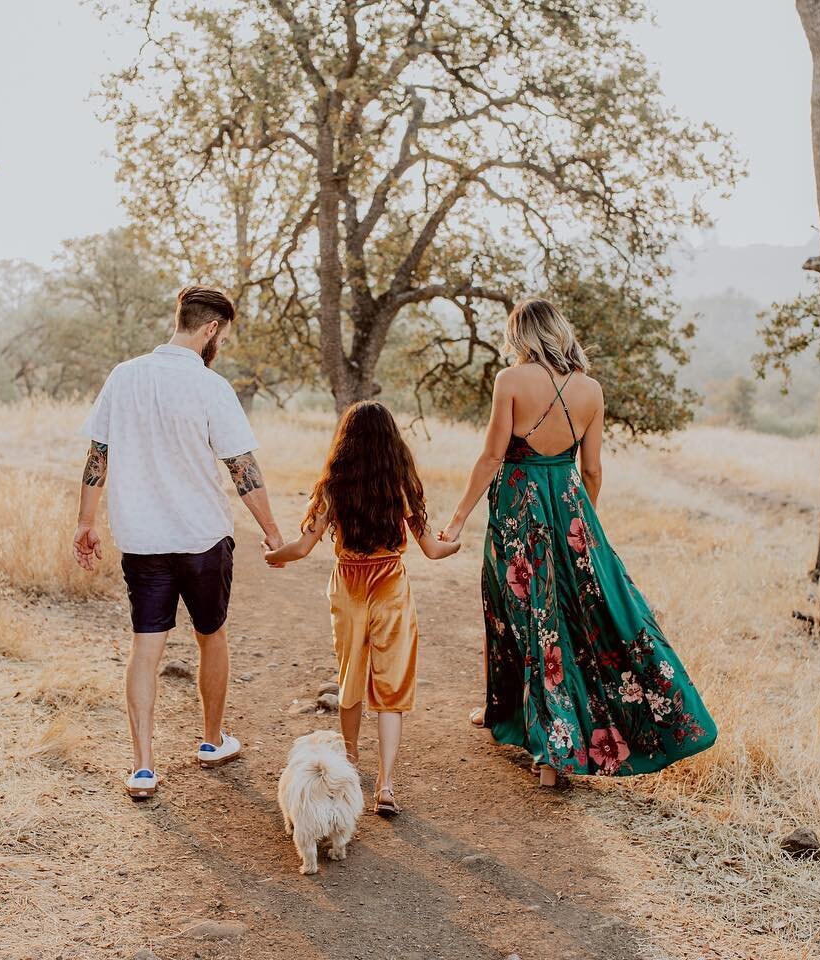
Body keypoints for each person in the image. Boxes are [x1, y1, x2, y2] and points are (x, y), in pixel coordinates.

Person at [439, 298, 716, 787]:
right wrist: (581, 526)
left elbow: (490, 459)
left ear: (522, 335)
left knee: (525, 616)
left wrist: (458, 518)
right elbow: (591, 469)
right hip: (571, 509)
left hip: (518, 506)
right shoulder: (591, 390)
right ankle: (536, 736)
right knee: (575, 618)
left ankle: (547, 747)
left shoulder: (510, 381)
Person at [73, 285, 285, 800]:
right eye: (224, 335)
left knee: (145, 648)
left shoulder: (124, 377)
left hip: (143, 539)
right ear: (211, 329)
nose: (221, 345)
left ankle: (143, 767)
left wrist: (86, 523)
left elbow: (98, 455)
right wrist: (274, 532)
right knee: (211, 635)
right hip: (201, 537)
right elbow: (242, 468)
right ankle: (212, 741)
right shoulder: (211, 387)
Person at [264, 400, 460, 816]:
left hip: (348, 586)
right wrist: (454, 542)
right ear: (391, 442)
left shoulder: (334, 486)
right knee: (391, 687)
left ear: (346, 441)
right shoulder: (400, 486)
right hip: (390, 584)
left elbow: (301, 547)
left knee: (350, 677)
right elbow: (432, 549)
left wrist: (273, 555)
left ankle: (350, 767)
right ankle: (386, 785)